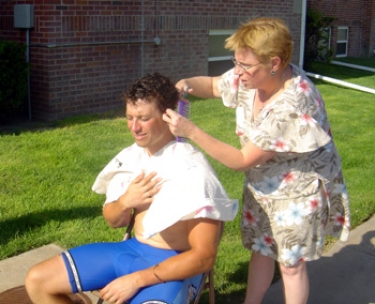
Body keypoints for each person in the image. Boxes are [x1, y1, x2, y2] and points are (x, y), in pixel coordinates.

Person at [162, 17, 350, 304]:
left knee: (290, 264)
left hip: (298, 189)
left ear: (274, 63)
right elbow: (214, 85)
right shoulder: (251, 76)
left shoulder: (292, 104)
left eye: (244, 65)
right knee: (262, 248)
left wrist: (190, 131)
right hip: (264, 182)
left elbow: (242, 159)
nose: (237, 72)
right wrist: (187, 84)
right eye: (236, 61)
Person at [25, 72, 238, 304]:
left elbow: (204, 257)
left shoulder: (193, 170)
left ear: (169, 116)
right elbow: (113, 220)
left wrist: (136, 280)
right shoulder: (129, 159)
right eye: (129, 117)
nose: (134, 127)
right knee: (38, 281)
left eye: (144, 118)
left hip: (175, 264)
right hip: (131, 251)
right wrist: (125, 201)